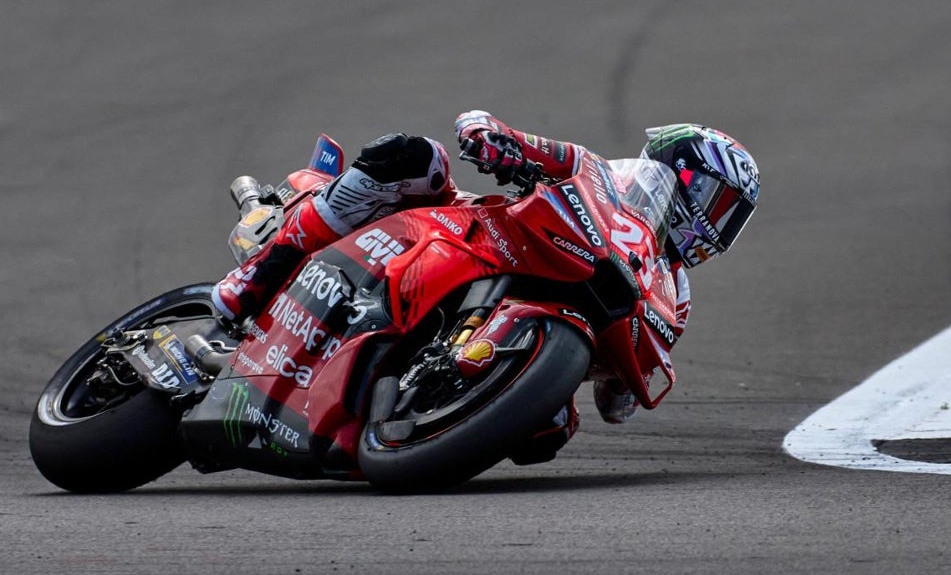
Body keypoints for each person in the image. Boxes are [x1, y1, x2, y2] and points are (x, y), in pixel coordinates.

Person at [211, 110, 760, 462]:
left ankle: (415, 406)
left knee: (548, 432)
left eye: (731, 216)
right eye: (717, 202)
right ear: (678, 174)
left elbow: (618, 399)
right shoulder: (596, 173)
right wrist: (493, 139)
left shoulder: (675, 293)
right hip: (475, 233)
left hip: (546, 321)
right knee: (415, 157)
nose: (718, 222)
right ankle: (255, 274)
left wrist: (621, 384)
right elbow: (526, 143)